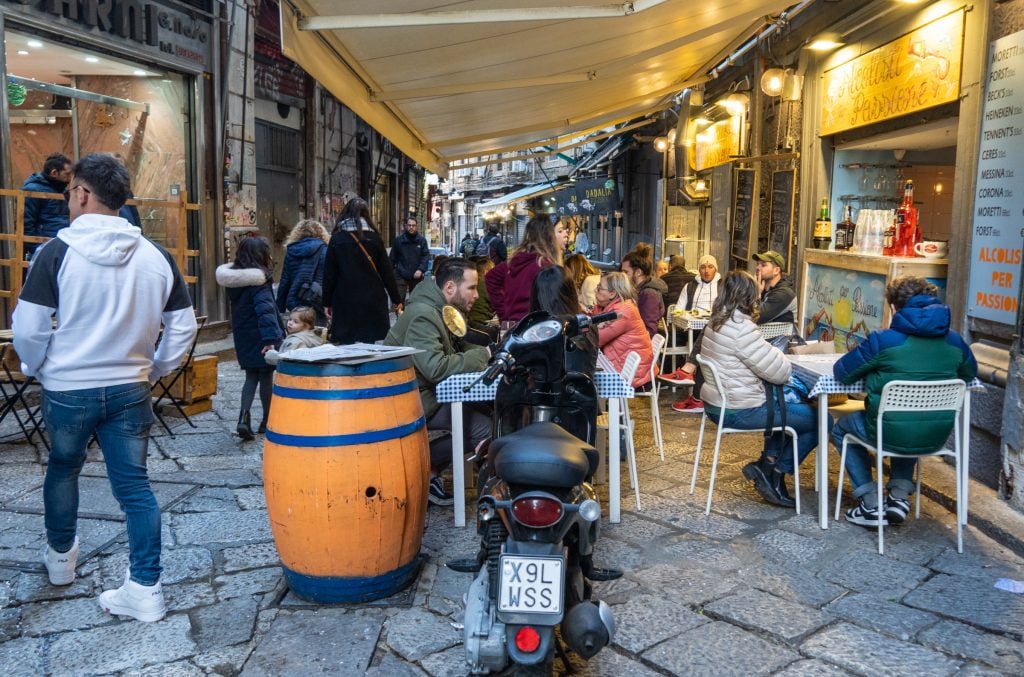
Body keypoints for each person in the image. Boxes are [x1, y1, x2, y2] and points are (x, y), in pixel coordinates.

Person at [13, 153, 197, 622]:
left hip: (69, 386)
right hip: (130, 385)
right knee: (136, 488)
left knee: (63, 468)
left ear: (81, 193)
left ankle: (60, 560)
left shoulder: (56, 252)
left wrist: (40, 367)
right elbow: (182, 327)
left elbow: (29, 328)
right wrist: (154, 368)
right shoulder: (156, 256)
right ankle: (146, 587)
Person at [831, 276, 977, 528]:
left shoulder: (882, 340)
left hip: (888, 431)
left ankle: (870, 502)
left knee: (842, 428)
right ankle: (898, 497)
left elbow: (842, 373)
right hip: (935, 436)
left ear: (894, 308)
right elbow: (969, 375)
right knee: (909, 418)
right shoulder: (955, 341)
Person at [700, 271, 826, 508]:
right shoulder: (740, 328)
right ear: (747, 296)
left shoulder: (717, 321)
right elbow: (779, 372)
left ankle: (767, 463)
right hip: (739, 409)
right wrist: (779, 353)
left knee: (788, 409)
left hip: (718, 403)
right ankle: (776, 471)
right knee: (821, 419)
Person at [384, 259, 491, 506]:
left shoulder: (441, 308)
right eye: (472, 288)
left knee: (489, 411)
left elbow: (460, 346)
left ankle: (429, 472)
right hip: (409, 398)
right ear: (451, 288)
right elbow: (436, 367)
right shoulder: (425, 315)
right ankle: (420, 470)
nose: (477, 294)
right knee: (485, 428)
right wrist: (483, 356)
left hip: (425, 392)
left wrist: (489, 351)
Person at [217, 236, 284, 441]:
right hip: (262, 336)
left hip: (243, 335)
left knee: (250, 377)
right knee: (265, 378)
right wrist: (270, 340)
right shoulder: (258, 281)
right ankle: (267, 420)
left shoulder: (234, 282)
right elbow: (266, 313)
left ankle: (243, 418)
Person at [323, 197, 402, 344]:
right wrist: (397, 300)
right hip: (373, 301)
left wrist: (327, 302)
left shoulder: (337, 239)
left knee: (346, 347)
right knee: (374, 346)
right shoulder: (375, 238)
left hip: (345, 301)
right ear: (366, 215)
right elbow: (387, 273)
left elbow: (329, 275)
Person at [660, 254, 723, 412]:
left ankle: (689, 373)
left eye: (710, 267)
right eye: (703, 267)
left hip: (717, 331)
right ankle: (696, 392)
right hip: (692, 330)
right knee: (703, 344)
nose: (707, 270)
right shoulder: (690, 286)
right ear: (699, 270)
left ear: (716, 269)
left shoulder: (723, 286)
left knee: (706, 343)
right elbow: (679, 310)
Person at [530, 266, 597, 376]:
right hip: (580, 391)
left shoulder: (529, 332)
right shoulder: (587, 328)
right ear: (571, 294)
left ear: (536, 297)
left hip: (538, 392)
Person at [499, 214, 566, 324]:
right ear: (549, 236)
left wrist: (504, 315)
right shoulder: (543, 265)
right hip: (531, 328)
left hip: (514, 324)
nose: (566, 234)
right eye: (560, 231)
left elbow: (491, 278)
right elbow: (553, 306)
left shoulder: (519, 259)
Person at [592, 272, 654, 388]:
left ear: (612, 293)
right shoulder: (619, 305)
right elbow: (595, 324)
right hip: (628, 366)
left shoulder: (622, 313)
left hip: (633, 374)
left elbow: (595, 340)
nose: (595, 290)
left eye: (599, 288)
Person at [276, 219, 329, 323]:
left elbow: (285, 281)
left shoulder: (291, 251)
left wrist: (279, 308)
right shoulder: (326, 250)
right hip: (318, 300)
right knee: (318, 333)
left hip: (295, 301)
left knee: (298, 332)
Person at [21, 153, 72, 256]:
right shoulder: (32, 190)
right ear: (54, 173)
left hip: (60, 245)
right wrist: (37, 251)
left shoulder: (61, 190)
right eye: (66, 174)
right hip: (43, 248)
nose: (69, 179)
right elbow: (26, 225)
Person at [621, 248, 666, 337]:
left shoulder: (649, 294)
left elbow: (649, 331)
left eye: (626, 272)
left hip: (638, 346)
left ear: (638, 272)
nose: (622, 276)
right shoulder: (638, 290)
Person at [389, 216, 429, 301]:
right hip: (401, 274)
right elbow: (392, 258)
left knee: (416, 300)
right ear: (406, 226)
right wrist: (389, 274)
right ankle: (400, 314)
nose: (411, 227)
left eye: (413, 225)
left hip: (416, 275)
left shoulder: (422, 241)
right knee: (398, 300)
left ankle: (413, 314)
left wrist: (421, 269)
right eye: (409, 225)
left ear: (416, 226)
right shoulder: (398, 241)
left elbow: (425, 256)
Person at [753, 250, 797, 325]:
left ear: (776, 270)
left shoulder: (784, 293)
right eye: (757, 264)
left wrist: (756, 294)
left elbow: (755, 318)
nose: (757, 267)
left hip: (778, 336)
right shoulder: (761, 288)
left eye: (763, 265)